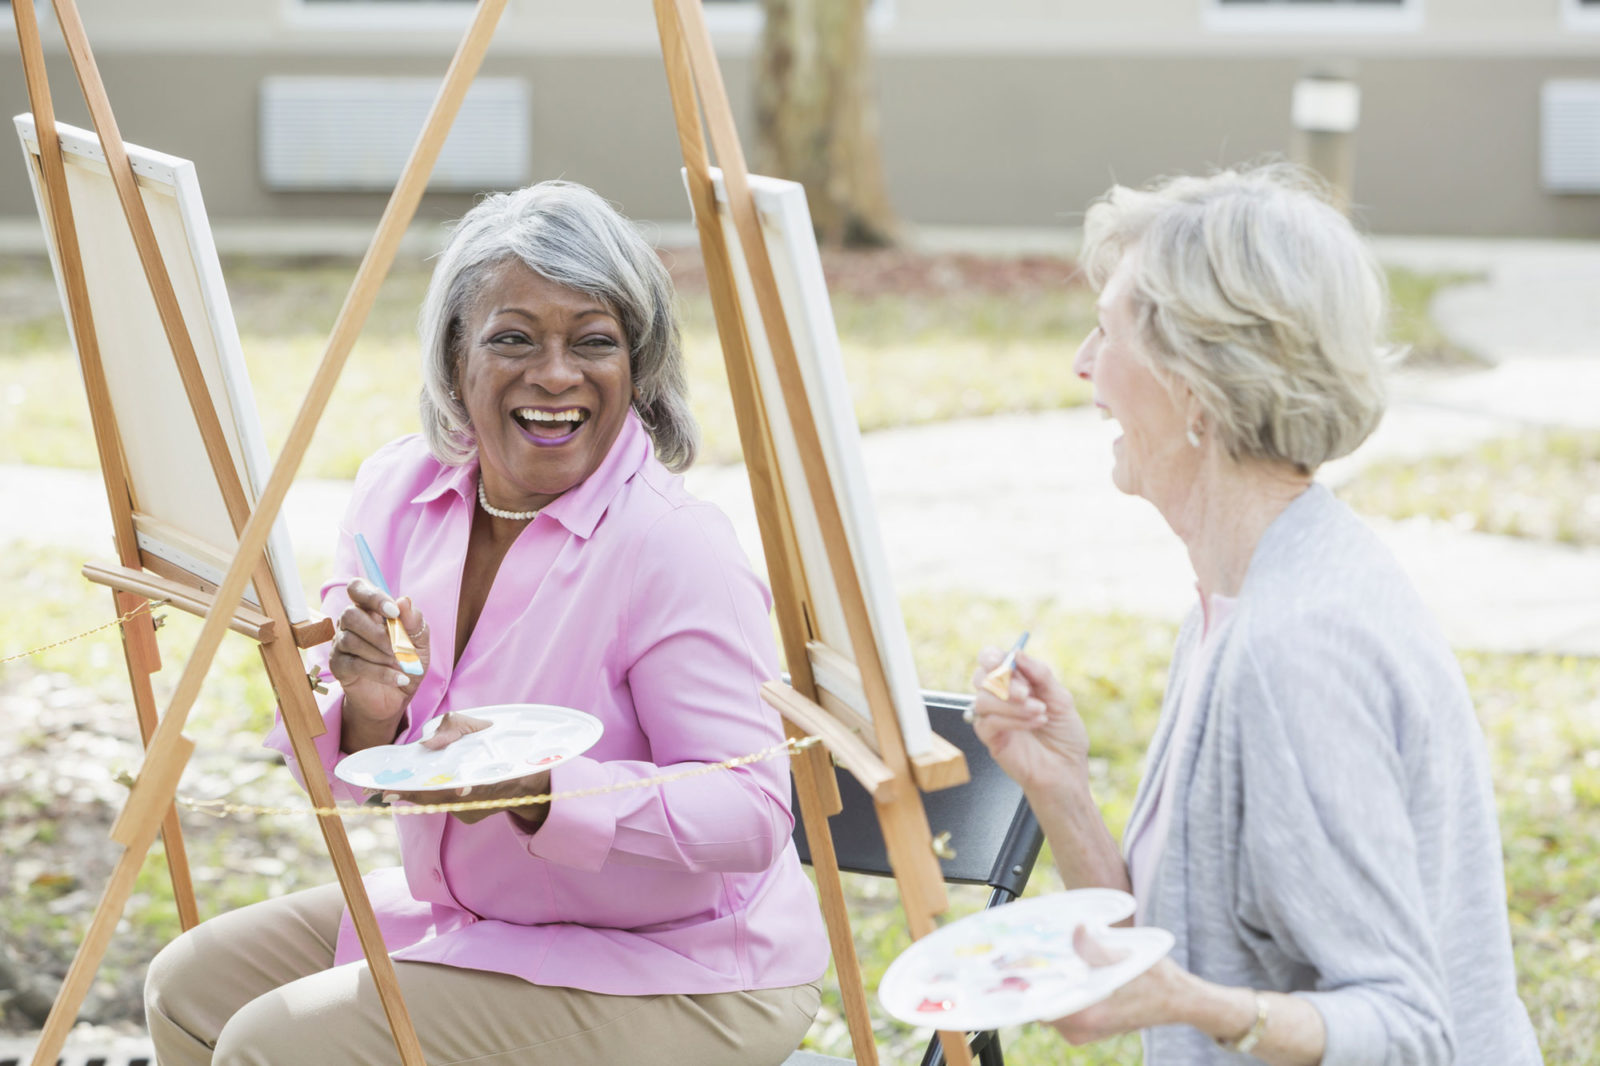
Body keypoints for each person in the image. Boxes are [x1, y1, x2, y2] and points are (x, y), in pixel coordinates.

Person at [144, 181, 828, 1066]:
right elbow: (353, 766)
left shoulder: (673, 547)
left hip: (678, 969)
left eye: (594, 342)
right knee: (188, 986)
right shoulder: (400, 491)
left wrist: (546, 794)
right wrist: (370, 709)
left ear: (640, 368)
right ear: (455, 355)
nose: (555, 373)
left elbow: (752, 810)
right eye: (513, 338)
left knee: (275, 1048)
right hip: (481, 922)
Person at [967, 165, 1541, 1065]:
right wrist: (1061, 789)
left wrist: (1199, 1006)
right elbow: (1174, 948)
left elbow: (1409, 1033)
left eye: (1107, 329)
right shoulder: (1234, 600)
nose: (1082, 363)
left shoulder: (1294, 647)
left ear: (1193, 384)